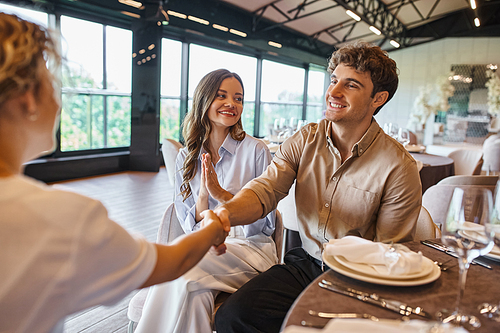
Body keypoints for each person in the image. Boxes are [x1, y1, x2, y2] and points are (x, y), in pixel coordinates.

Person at [0, 13, 229, 333]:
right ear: (27, 99)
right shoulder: (56, 218)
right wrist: (214, 226)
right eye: (53, 80)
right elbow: (170, 262)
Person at [212, 41, 423, 332]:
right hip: (307, 265)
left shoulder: (399, 166)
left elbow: (389, 253)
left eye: (351, 85)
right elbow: (265, 189)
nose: (333, 92)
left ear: (379, 98)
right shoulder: (305, 139)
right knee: (233, 316)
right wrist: (225, 214)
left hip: (362, 277)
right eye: (334, 80)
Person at [135, 69, 277, 333]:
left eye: (238, 98)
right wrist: (203, 195)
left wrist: (222, 196)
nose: (231, 104)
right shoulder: (186, 156)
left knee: (181, 264)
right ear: (204, 100)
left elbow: (265, 225)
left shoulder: (256, 150)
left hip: (251, 250)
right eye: (221, 96)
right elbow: (190, 224)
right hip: (206, 245)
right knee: (196, 295)